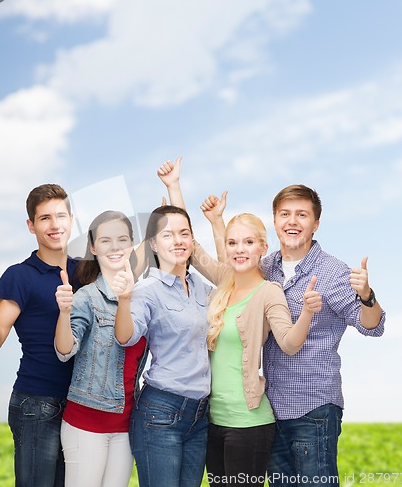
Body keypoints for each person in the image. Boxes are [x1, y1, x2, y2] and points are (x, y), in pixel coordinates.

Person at [201, 185, 386, 486]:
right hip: (272, 410)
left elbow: (372, 326)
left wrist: (366, 295)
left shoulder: (333, 272)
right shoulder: (266, 267)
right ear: (274, 221)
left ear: (316, 224)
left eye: (302, 215)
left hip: (314, 410)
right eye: (285, 214)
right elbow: (231, 269)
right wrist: (217, 222)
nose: (292, 221)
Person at [159, 159, 322, 486]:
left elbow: (289, 343)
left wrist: (306, 312)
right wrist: (173, 187)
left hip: (249, 424)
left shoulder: (268, 292)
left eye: (248, 242)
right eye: (232, 243)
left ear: (263, 247)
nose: (239, 249)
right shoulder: (223, 282)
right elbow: (190, 246)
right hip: (212, 421)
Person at [0, 183, 80, 487]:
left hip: (81, 406)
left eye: (61, 216)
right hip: (37, 404)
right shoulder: (20, 275)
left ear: (72, 219)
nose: (55, 225)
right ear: (31, 226)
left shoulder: (86, 272)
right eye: (45, 218)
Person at [112, 203, 211, 487]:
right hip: (160, 414)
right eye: (167, 235)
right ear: (153, 243)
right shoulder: (146, 290)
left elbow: (234, 291)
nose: (178, 241)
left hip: (200, 415)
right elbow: (125, 336)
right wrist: (124, 299)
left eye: (184, 233)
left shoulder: (202, 288)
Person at [54, 210, 147, 487]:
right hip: (86, 423)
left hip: (126, 424)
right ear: (93, 248)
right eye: (105, 240)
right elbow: (64, 350)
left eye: (122, 239)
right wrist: (64, 312)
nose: (115, 247)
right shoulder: (87, 297)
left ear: (131, 244)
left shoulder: (141, 298)